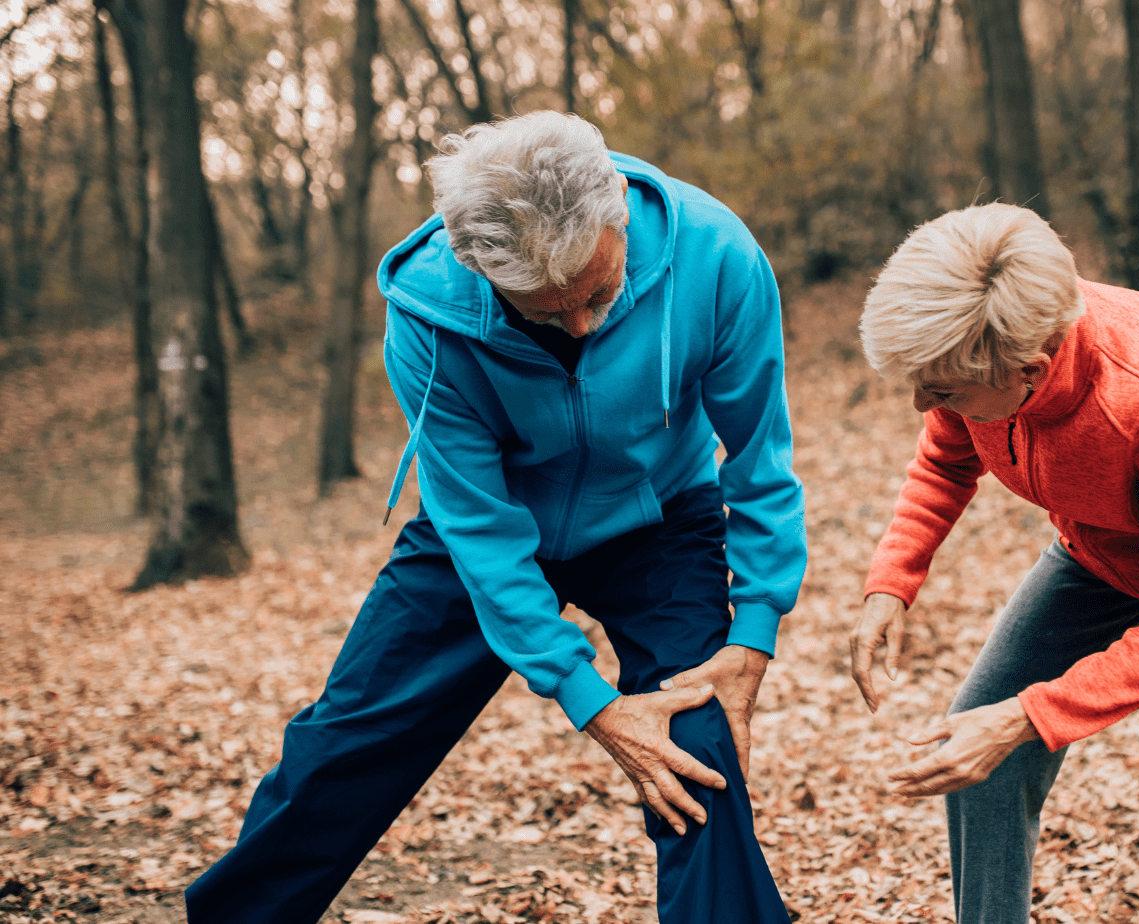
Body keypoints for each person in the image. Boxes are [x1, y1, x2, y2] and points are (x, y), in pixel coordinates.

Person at [186, 111, 806, 924]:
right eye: (545, 313)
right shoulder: (427, 313)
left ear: (617, 206)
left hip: (660, 515)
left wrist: (754, 626)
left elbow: (758, 457)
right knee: (347, 741)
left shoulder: (718, 258)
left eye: (596, 293)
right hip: (488, 521)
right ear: (476, 268)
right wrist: (590, 699)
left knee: (696, 743)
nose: (581, 326)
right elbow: (480, 530)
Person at [848, 203, 1139, 924]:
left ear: (1030, 373)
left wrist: (1027, 717)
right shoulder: (971, 353)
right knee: (976, 736)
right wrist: (892, 583)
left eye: (939, 391)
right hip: (1101, 549)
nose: (923, 403)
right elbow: (948, 459)